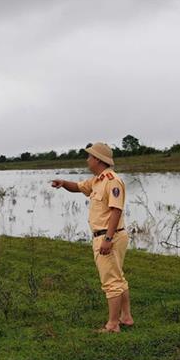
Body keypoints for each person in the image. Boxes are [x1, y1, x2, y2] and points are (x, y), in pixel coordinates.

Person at [51, 142, 133, 333]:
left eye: (89, 156)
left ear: (97, 159)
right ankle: (126, 317)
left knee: (111, 282)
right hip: (106, 236)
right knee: (118, 278)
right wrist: (63, 184)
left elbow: (116, 211)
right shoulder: (97, 180)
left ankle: (113, 325)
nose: (87, 160)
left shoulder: (112, 181)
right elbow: (78, 187)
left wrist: (108, 239)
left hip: (108, 236)